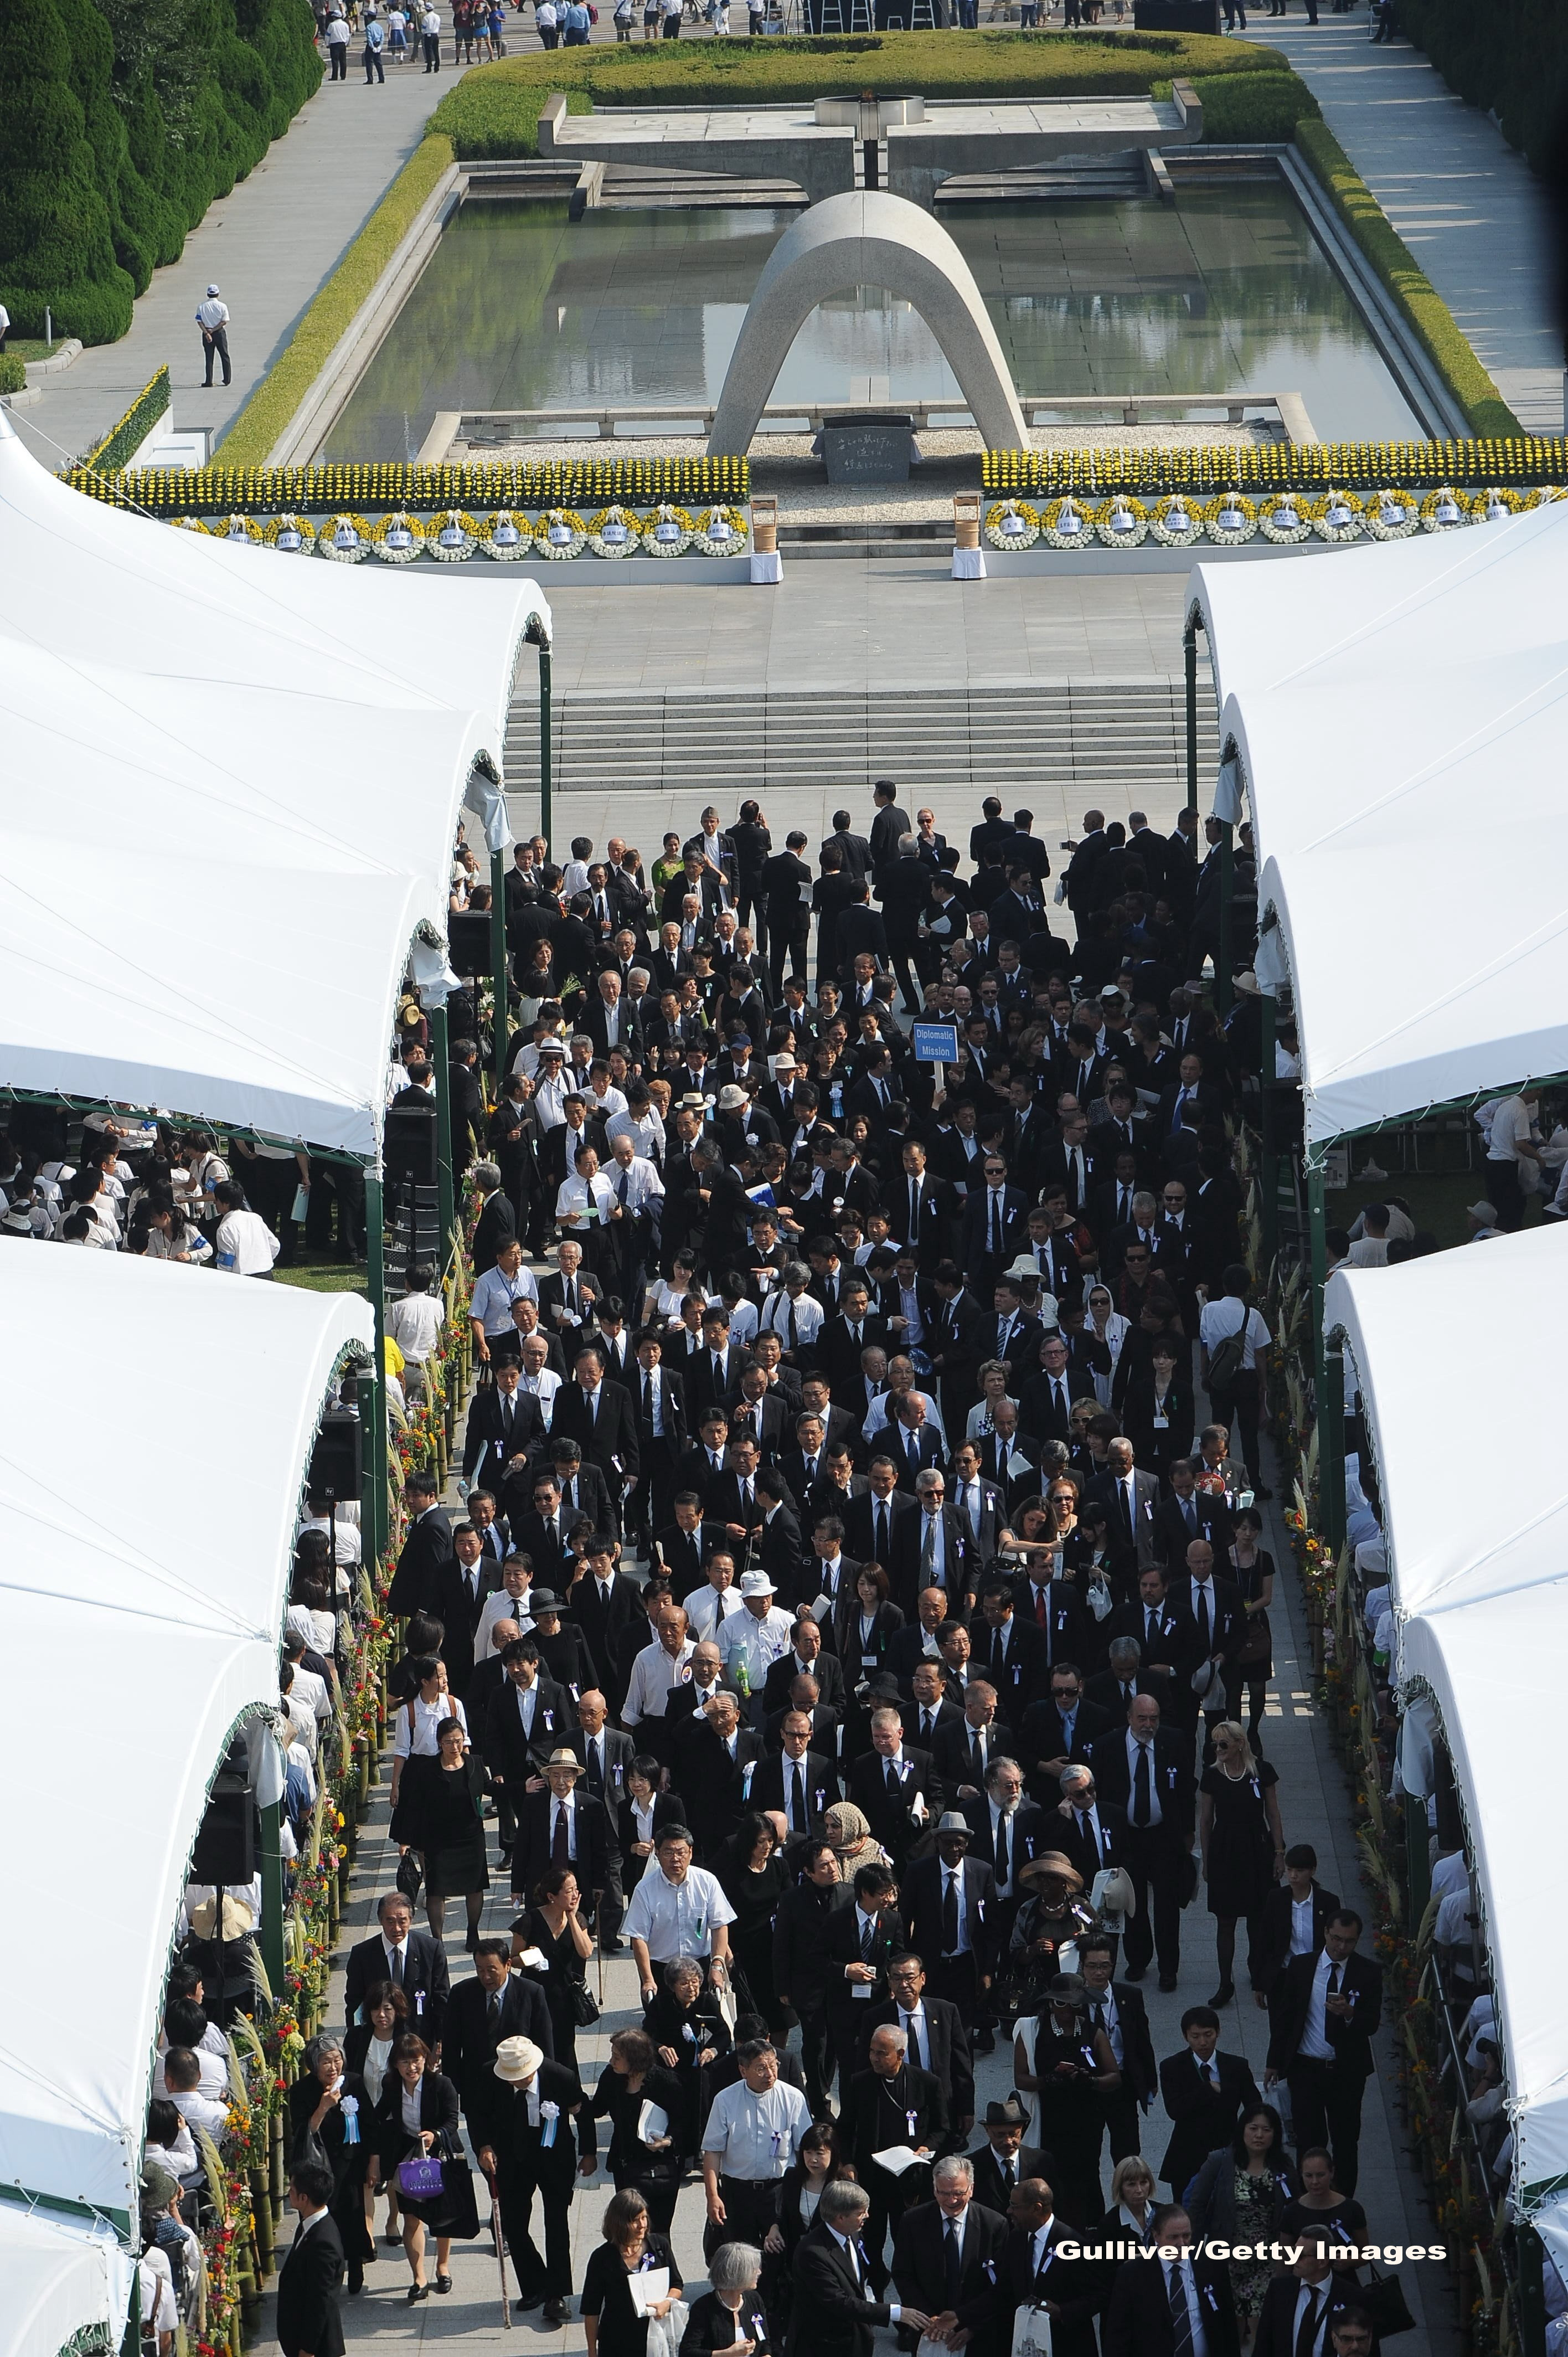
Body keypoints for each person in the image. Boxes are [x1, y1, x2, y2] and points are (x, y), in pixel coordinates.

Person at [471, 2035, 592, 2324]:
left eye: (521, 2077)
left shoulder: (560, 2077)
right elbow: (477, 2114)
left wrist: (588, 2153)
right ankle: (536, 2283)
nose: (516, 2082)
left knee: (556, 2224)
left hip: (553, 2157)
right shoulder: (489, 2075)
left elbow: (581, 2112)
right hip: (511, 2157)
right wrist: (484, 2146)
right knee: (512, 2225)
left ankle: (557, 2295)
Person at [1265, 1910, 1383, 2195]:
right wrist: (1274, 2061)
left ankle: (1343, 2206)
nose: (1341, 1947)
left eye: (1349, 1942)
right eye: (1336, 1939)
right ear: (1326, 1934)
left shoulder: (1368, 1972)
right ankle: (1306, 2203)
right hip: (1306, 2068)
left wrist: (1350, 2013)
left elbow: (1372, 2023)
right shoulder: (1302, 1966)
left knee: (1345, 2141)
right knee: (1308, 2140)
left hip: (1346, 2072)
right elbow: (1286, 2015)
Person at [368, 2032, 478, 2301]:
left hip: (438, 2156)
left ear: (425, 2060)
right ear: (396, 2065)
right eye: (404, 2062)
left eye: (416, 2060)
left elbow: (452, 2120)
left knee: (442, 2216)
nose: (411, 2067)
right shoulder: (392, 2085)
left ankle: (443, 2266)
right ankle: (419, 2276)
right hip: (407, 2158)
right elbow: (377, 2117)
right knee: (411, 2216)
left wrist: (435, 2134)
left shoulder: (442, 2085)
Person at [1183, 2106, 1296, 2340]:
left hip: (1267, 2257)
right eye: (1253, 2128)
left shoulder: (1283, 2166)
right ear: (1242, 2130)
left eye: (1266, 2130)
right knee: (1229, 2327)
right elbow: (1197, 2204)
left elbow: (1294, 2209)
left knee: (1262, 2326)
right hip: (1227, 2254)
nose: (1259, 2135)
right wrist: (1192, 2250)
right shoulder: (1220, 2161)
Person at [786, 2176, 932, 2357]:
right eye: (861, 2213)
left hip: (854, 2340)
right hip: (823, 2346)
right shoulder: (813, 2254)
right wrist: (894, 2313)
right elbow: (840, 2302)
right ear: (841, 2217)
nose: (867, 2216)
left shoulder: (852, 2235)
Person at [1198, 1721, 1286, 2009]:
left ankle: (1258, 1973)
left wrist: (1279, 1852)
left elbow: (1273, 1813)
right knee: (1225, 1921)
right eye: (1215, 1744)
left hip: (1257, 1847)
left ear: (1239, 1744)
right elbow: (1206, 1820)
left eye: (1224, 1744)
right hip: (1225, 1849)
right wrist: (1207, 1860)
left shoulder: (1261, 1771)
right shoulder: (1212, 1776)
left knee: (1259, 1918)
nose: (1219, 1750)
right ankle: (1225, 1983)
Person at [701, 2035, 813, 2256]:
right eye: (761, 2068)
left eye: (773, 2066)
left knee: (780, 2255)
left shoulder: (793, 2098)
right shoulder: (725, 2100)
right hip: (737, 2192)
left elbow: (804, 2149)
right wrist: (713, 2196)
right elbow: (713, 2151)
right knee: (741, 2254)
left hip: (778, 2191)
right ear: (743, 2071)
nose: (770, 2074)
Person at [285, 2037, 375, 2294]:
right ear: (314, 2065)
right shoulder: (301, 2091)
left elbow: (369, 2123)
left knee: (354, 2215)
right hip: (319, 2167)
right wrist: (323, 2107)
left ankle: (356, 2263)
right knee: (326, 2217)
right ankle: (330, 2271)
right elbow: (302, 2132)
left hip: (350, 2163)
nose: (333, 2067)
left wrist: (373, 2160)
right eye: (326, 2062)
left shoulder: (354, 2082)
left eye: (337, 2060)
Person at [587, 2035, 687, 2235]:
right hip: (626, 2163)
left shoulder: (665, 2081)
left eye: (617, 2057)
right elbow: (597, 2108)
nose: (611, 2061)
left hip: (660, 2168)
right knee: (631, 2229)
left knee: (659, 2233)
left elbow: (683, 2121)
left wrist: (667, 2141)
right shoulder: (611, 2077)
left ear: (634, 2059)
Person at [1157, 2008, 1262, 2196]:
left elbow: (1255, 2107)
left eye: (1208, 2035)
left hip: (1227, 2148)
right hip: (1187, 2153)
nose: (1203, 2043)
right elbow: (1174, 2109)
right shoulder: (1172, 2067)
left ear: (1218, 2032)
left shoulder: (1237, 2066)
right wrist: (1207, 2089)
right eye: (1195, 2036)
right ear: (1185, 2037)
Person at [582, 2188, 684, 2357]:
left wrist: (667, 2302)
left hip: (655, 2337)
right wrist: (592, 2351)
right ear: (619, 2223)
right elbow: (591, 2310)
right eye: (635, 2220)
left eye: (644, 2217)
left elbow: (676, 2284)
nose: (642, 2225)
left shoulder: (659, 2246)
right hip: (616, 2342)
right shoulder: (602, 2258)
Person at [512, 1863, 595, 2070]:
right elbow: (512, 1960)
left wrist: (573, 1917)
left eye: (576, 1889)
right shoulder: (530, 1920)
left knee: (566, 2049)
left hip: (565, 1995)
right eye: (569, 1891)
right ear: (552, 1896)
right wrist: (529, 1956)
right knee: (539, 2046)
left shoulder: (578, 1918)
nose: (576, 1894)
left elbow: (586, 1952)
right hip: (536, 1993)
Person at [276, 2161, 346, 2357]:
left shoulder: (323, 2243)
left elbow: (320, 2300)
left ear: (304, 2198)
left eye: (292, 2190)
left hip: (316, 2348)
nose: (289, 2193)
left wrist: (308, 2348)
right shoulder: (309, 2224)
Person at [681, 2236, 773, 2355]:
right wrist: (728, 2354)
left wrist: (766, 2354)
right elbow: (688, 2353)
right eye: (753, 2269)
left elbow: (764, 2340)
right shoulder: (704, 2307)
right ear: (738, 2273)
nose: (759, 2272)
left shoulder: (754, 2299)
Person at [195, 286, 231, 387]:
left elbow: (199, 321)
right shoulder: (223, 306)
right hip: (219, 333)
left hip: (206, 332)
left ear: (208, 294)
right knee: (224, 355)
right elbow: (224, 321)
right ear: (218, 294)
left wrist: (207, 333)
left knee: (209, 357)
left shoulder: (202, 306)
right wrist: (214, 330)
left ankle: (209, 381)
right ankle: (227, 379)